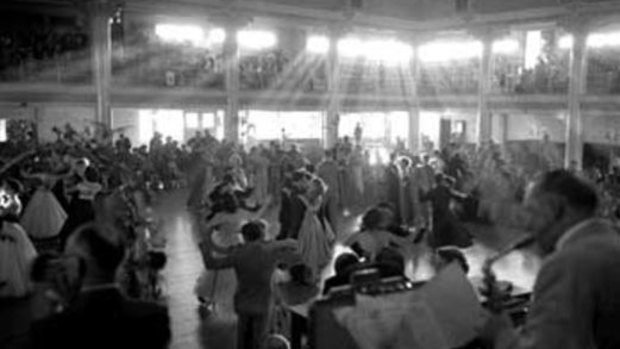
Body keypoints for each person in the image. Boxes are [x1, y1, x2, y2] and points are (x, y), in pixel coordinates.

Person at [482, 170, 620, 349]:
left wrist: (500, 333)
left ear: (559, 207)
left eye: (532, 211)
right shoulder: (609, 240)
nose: (528, 224)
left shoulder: (566, 263)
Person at [30, 223, 171, 349]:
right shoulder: (154, 316)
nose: (63, 264)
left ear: (80, 263)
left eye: (67, 257)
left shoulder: (50, 329)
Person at [200, 220, 299, 349]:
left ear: (244, 236)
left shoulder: (238, 253)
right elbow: (296, 254)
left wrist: (204, 249)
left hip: (243, 302)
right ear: (261, 235)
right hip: (264, 302)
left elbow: (211, 264)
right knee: (260, 339)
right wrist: (283, 243)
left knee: (242, 338)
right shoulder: (271, 252)